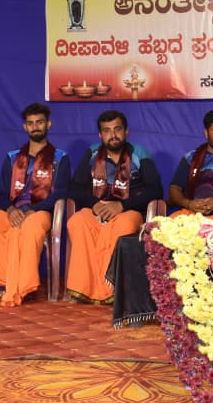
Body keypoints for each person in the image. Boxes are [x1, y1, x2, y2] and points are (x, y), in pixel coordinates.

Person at [0, 103, 70, 307]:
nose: (35, 127)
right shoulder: (12, 158)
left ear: (48, 124)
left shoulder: (60, 158)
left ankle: (23, 287)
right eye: (31, 123)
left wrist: (32, 210)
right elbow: (2, 192)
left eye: (40, 122)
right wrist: (11, 210)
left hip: (41, 211)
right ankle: (8, 281)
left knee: (29, 228)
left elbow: (61, 192)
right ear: (25, 127)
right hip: (14, 210)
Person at [67, 110, 163, 302]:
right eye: (107, 130)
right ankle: (83, 288)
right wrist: (94, 205)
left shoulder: (139, 153)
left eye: (117, 129)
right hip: (97, 208)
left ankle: (109, 291)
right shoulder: (93, 153)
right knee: (77, 222)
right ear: (100, 135)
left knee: (122, 226)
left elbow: (155, 189)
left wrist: (121, 205)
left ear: (126, 131)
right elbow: (74, 187)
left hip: (128, 210)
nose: (113, 135)